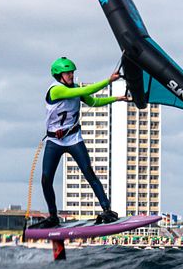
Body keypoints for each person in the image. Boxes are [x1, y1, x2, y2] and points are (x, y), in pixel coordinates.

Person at [32, 57, 129, 229]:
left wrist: (117, 99)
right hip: (54, 140)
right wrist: (109, 80)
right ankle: (53, 217)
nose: (71, 75)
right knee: (46, 179)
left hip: (73, 138)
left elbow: (94, 101)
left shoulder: (76, 89)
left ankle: (107, 210)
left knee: (88, 171)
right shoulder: (56, 90)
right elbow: (87, 90)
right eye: (68, 73)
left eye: (72, 72)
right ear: (58, 75)